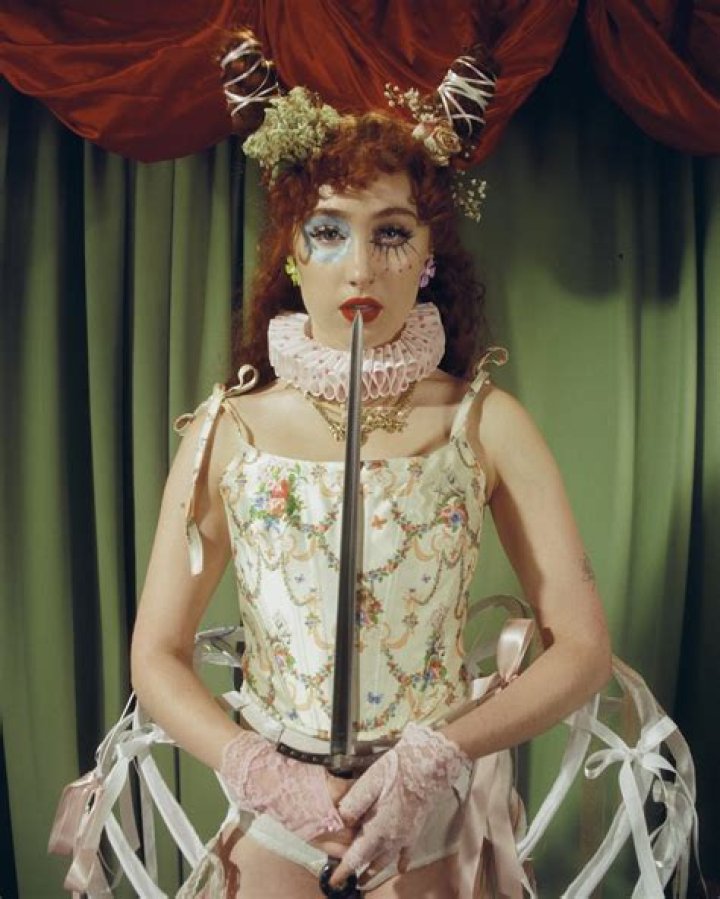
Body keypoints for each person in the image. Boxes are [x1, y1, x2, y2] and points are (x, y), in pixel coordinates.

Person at [52, 32, 697, 899]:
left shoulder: (487, 422)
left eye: (391, 233)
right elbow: (156, 655)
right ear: (292, 251)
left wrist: (439, 753)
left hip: (433, 830)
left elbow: (581, 647)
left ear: (428, 256)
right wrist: (257, 768)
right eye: (329, 232)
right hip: (275, 828)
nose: (360, 266)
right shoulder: (226, 428)